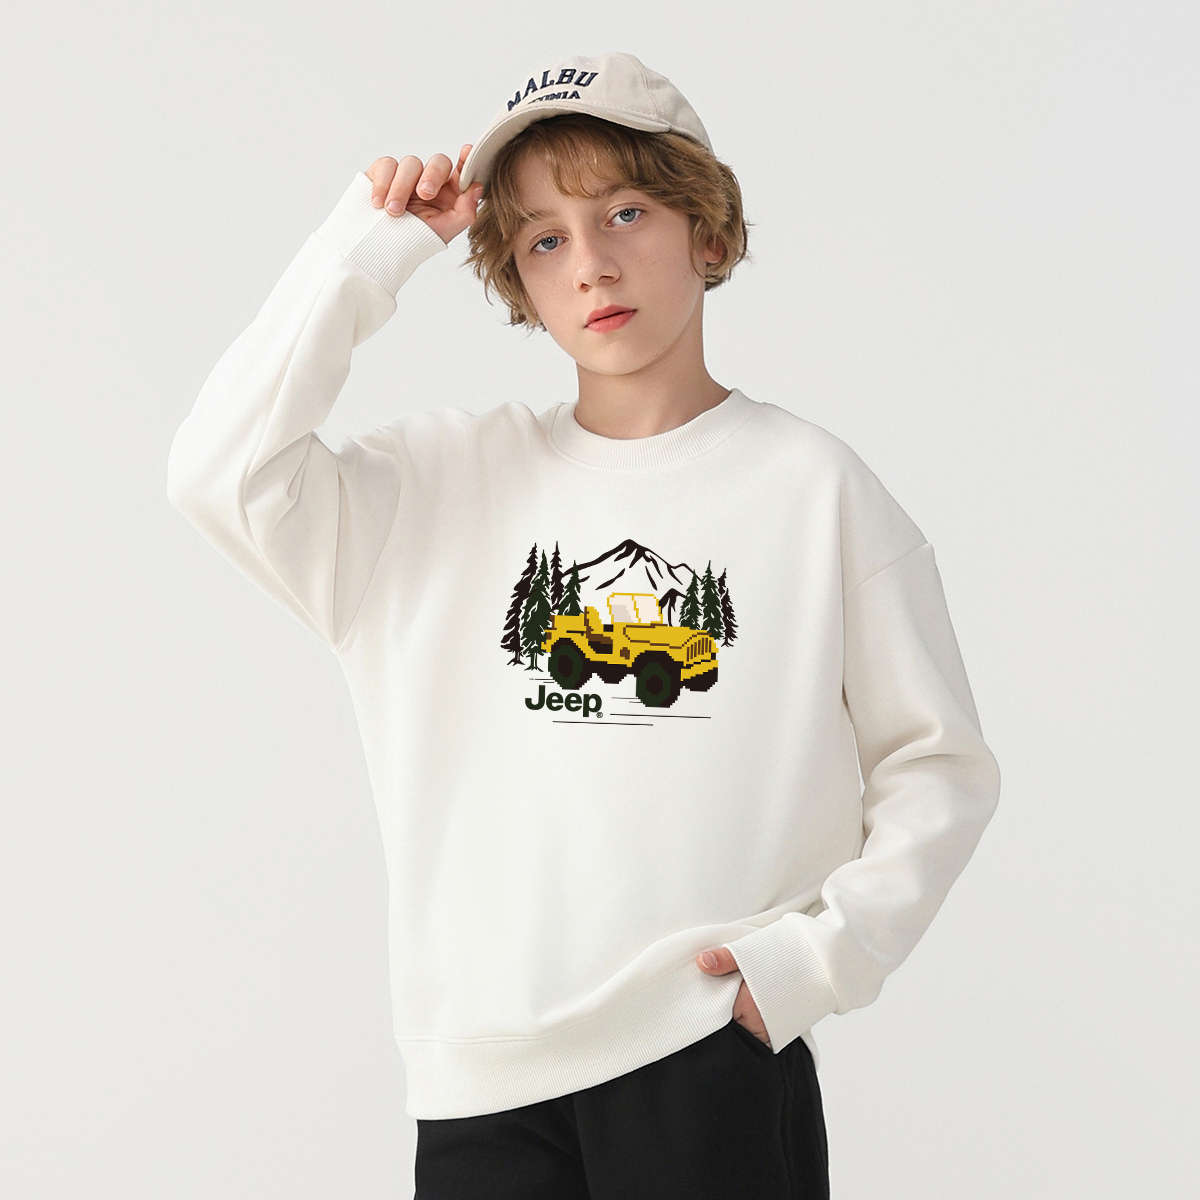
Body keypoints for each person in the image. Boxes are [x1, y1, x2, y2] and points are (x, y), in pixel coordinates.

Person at [167, 51, 1000, 1200]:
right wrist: (364, 253)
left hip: (706, 1049)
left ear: (708, 231)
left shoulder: (816, 491)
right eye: (545, 239)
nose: (593, 264)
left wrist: (820, 961)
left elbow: (938, 766)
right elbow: (219, 475)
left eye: (626, 212)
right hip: (479, 1080)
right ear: (515, 275)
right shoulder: (430, 488)